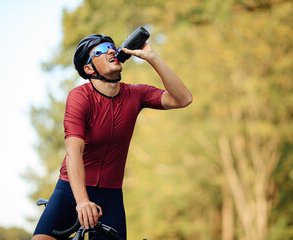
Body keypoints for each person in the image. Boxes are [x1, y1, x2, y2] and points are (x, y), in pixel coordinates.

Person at [32, 32, 192, 240]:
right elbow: (74, 151)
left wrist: (152, 56)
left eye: (111, 47)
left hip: (111, 195)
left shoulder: (136, 94)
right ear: (89, 69)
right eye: (99, 51)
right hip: (71, 190)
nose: (109, 50)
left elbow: (183, 98)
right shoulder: (80, 97)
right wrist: (81, 201)